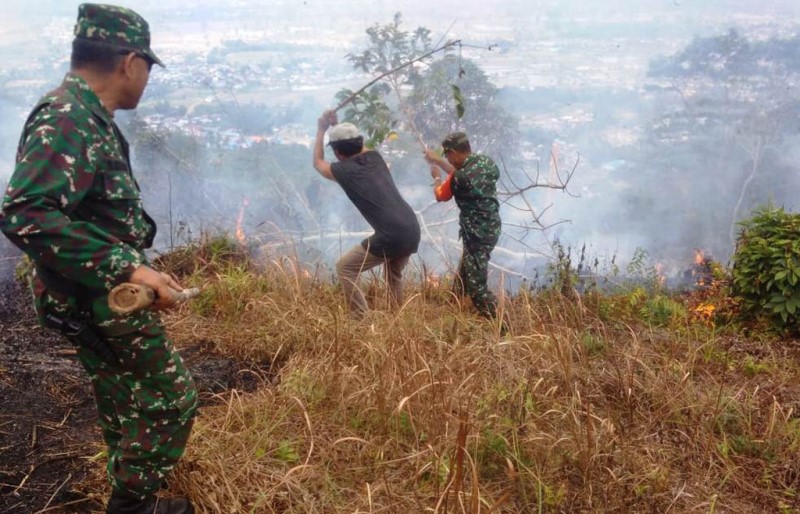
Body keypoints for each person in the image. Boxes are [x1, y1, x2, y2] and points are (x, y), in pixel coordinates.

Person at [0, 4, 197, 513]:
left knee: (119, 391)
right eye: (148, 67)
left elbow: (85, 214)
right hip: (95, 297)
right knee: (171, 398)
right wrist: (128, 268)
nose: (147, 78)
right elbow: (26, 212)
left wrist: (137, 263)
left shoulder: (84, 114)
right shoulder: (69, 118)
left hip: (93, 292)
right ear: (129, 62)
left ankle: (130, 497)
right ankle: (132, 504)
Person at [313, 110, 421, 318]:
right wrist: (337, 128)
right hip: (411, 227)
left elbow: (318, 163)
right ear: (360, 142)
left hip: (392, 234)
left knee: (345, 268)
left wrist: (321, 130)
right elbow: (355, 145)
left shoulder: (343, 171)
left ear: (336, 153)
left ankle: (360, 319)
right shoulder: (375, 157)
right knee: (394, 274)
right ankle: (397, 320)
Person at [424, 132, 501, 319]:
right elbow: (458, 171)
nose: (447, 158)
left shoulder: (460, 178)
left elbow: (441, 194)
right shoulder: (487, 164)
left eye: (447, 155)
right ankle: (453, 312)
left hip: (476, 235)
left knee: (477, 290)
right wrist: (438, 160)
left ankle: (501, 325)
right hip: (492, 227)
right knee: (464, 275)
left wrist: (435, 176)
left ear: (452, 153)